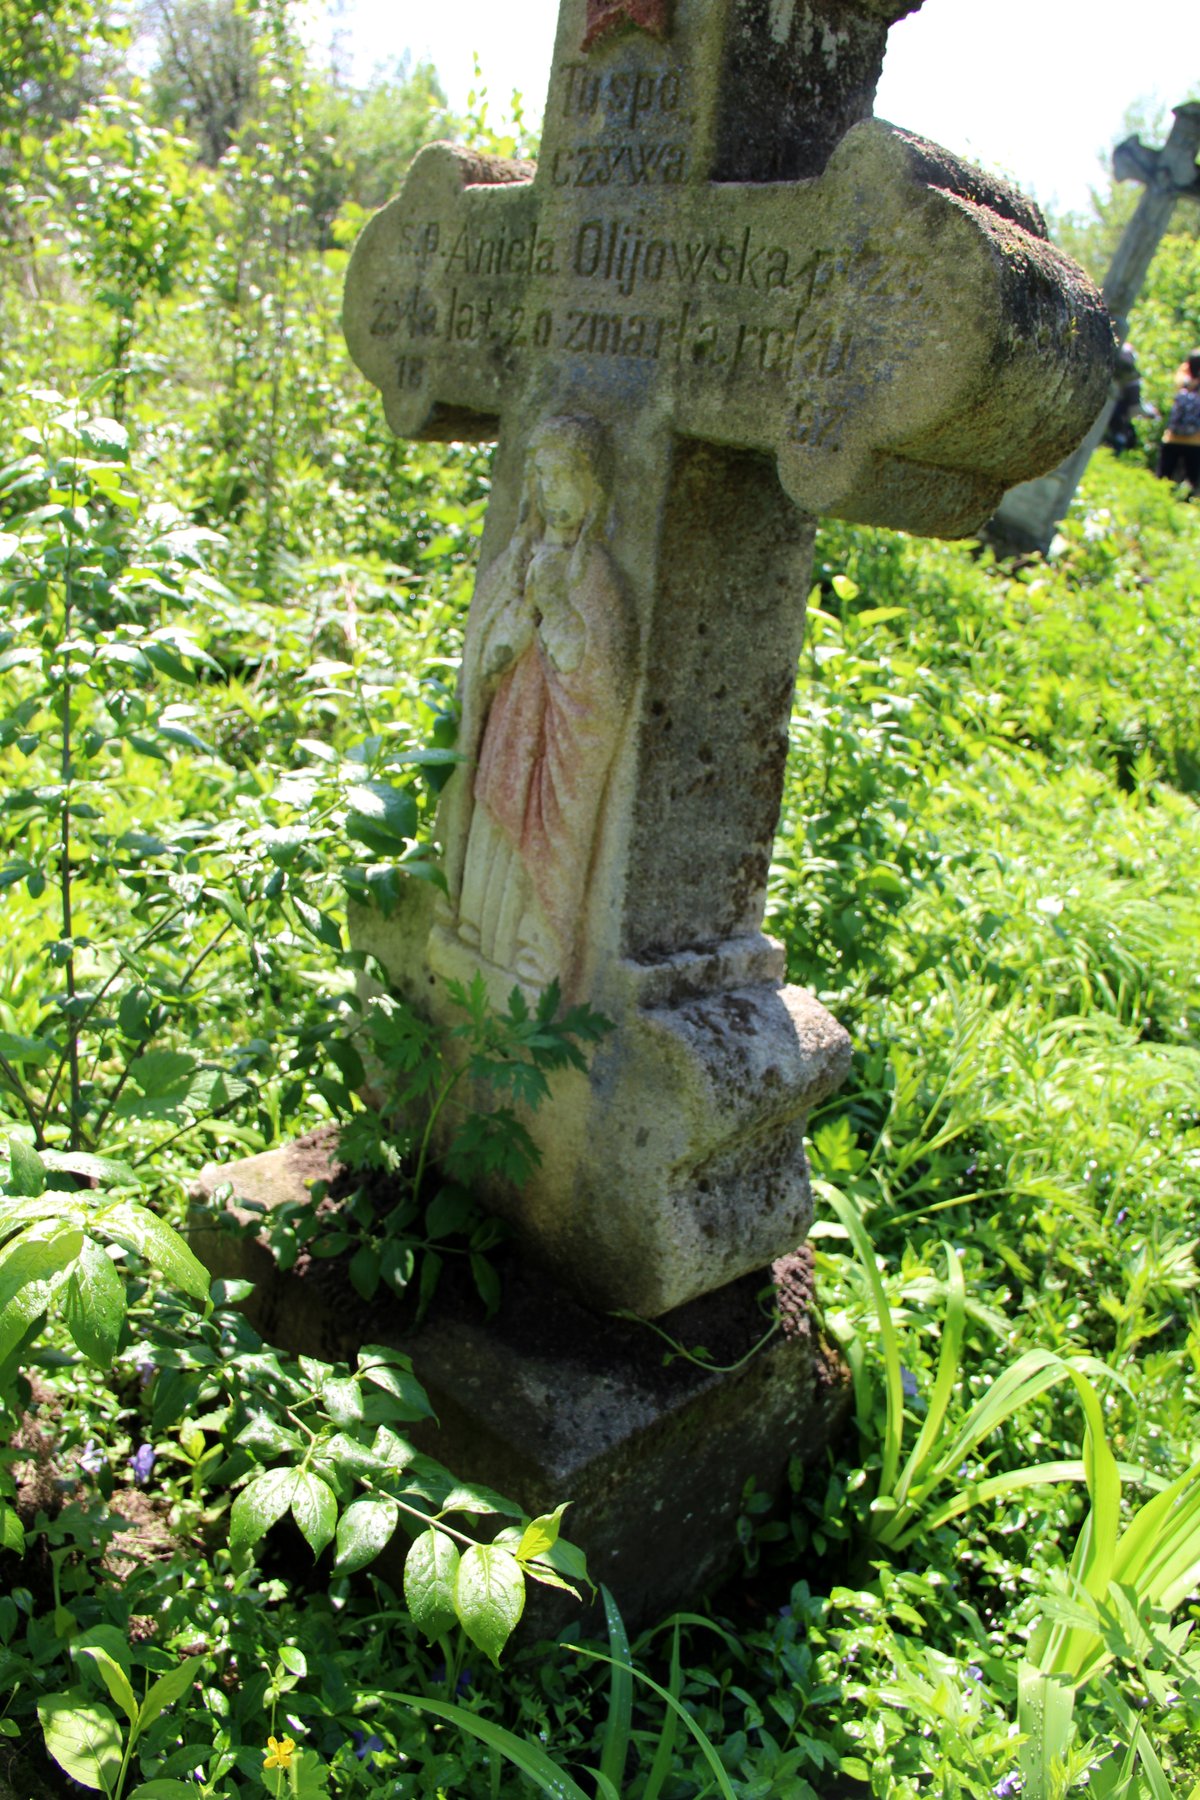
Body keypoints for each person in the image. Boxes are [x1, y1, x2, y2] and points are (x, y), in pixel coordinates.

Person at [452, 415, 637, 991]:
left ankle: (535, 955)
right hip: (508, 731)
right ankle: (480, 934)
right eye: (545, 478)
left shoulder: (598, 575)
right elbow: (484, 644)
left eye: (568, 478)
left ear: (594, 487)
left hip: (558, 750)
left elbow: (605, 690)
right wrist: (505, 640)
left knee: (540, 842)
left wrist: (557, 609)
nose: (556, 493)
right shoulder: (515, 556)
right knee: (495, 822)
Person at [1157, 349, 1200, 492]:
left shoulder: (1183, 381)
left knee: (1163, 478)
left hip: (1172, 438)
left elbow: (1181, 373)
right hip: (1195, 441)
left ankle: (1159, 501)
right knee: (1192, 480)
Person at [1104, 342, 1157, 454]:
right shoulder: (1133, 382)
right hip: (1112, 427)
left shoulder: (1105, 367)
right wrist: (1151, 414)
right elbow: (1135, 408)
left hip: (1106, 423)